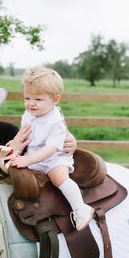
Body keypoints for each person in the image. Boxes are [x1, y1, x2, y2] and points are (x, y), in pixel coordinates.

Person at [9, 66, 94, 231]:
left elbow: (51, 149)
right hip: (34, 154)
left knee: (58, 177)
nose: (31, 103)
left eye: (38, 100)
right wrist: (15, 148)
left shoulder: (55, 121)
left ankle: (80, 208)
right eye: (27, 98)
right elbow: (25, 136)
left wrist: (27, 159)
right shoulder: (28, 115)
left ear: (55, 100)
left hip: (55, 157)